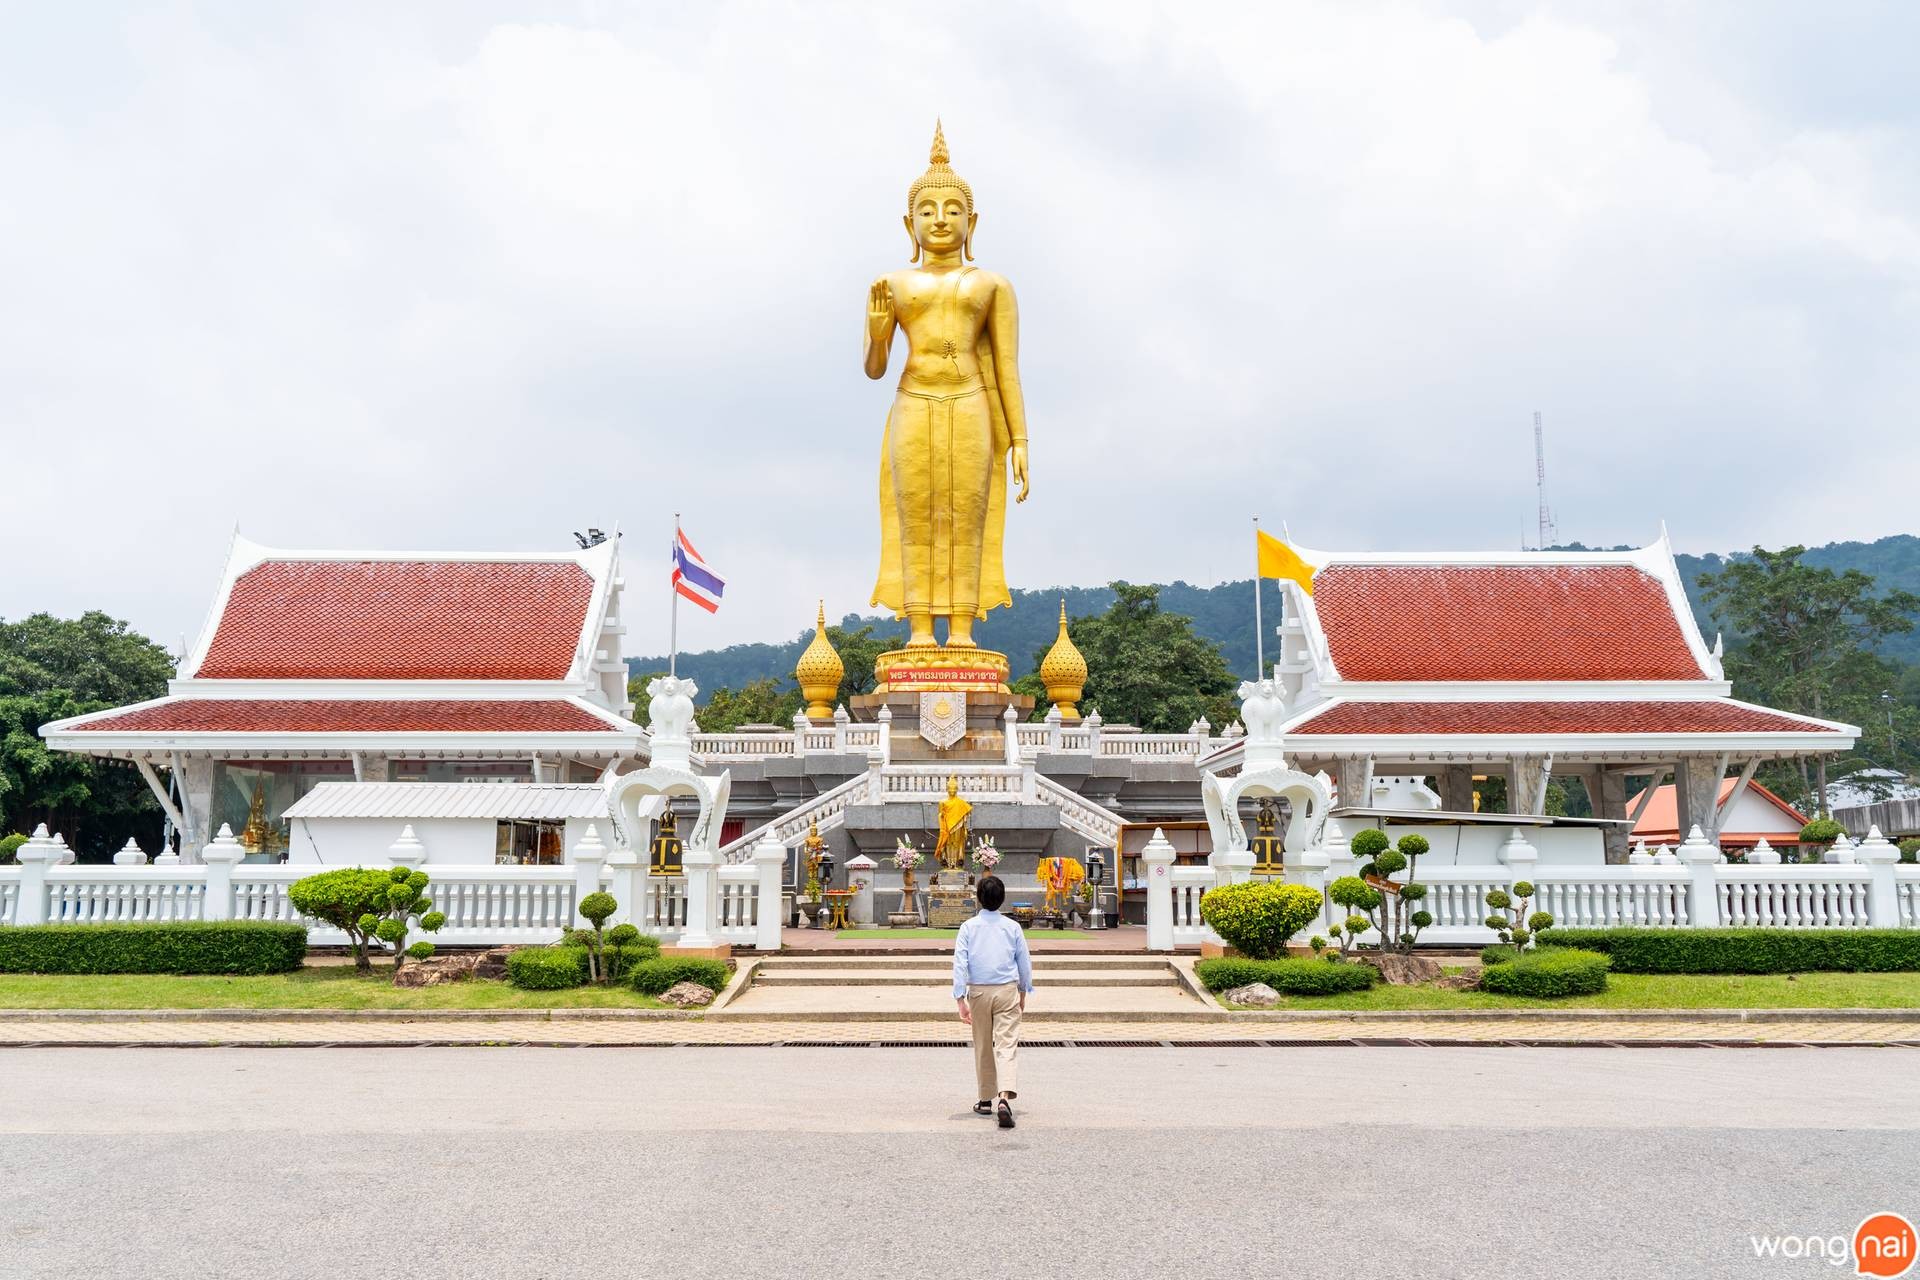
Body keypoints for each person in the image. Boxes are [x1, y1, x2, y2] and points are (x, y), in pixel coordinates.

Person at [952, 874, 1032, 1128]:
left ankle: (986, 1099)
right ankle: (1004, 1098)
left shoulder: (968, 927)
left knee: (983, 1044)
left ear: (978, 899)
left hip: (977, 992)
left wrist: (959, 999)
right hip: (1006, 989)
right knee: (1006, 1045)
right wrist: (1023, 991)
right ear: (1003, 899)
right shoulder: (1012, 927)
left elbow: (960, 964)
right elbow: (1024, 963)